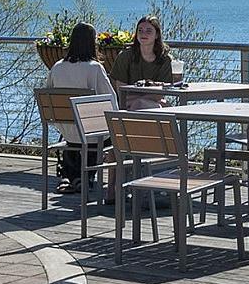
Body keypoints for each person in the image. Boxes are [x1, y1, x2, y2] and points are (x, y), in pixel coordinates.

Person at [46, 22, 115, 194]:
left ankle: (71, 176)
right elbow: (110, 101)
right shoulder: (95, 68)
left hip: (66, 128)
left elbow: (48, 95)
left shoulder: (57, 67)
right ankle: (86, 177)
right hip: (90, 131)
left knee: (75, 133)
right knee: (104, 133)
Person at [110, 14, 179, 111]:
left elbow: (160, 94)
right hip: (127, 103)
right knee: (154, 105)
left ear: (157, 35)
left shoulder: (165, 59)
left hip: (153, 102)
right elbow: (122, 92)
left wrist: (141, 101)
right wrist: (140, 101)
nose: (143, 34)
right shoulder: (125, 56)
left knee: (164, 105)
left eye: (148, 31)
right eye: (140, 30)